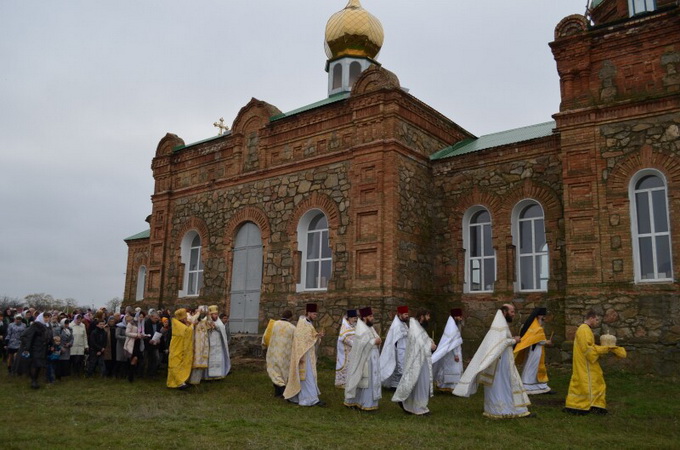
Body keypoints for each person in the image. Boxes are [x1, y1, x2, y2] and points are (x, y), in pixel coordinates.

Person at [453, 304, 532, 419]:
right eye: (512, 311)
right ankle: (502, 410)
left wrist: (511, 339)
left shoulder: (501, 324)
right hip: (499, 364)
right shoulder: (499, 326)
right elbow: (501, 343)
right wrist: (514, 340)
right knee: (502, 385)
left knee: (503, 385)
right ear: (504, 312)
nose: (514, 314)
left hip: (502, 362)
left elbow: (501, 341)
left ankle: (503, 409)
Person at [564, 310, 627, 415]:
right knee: (590, 382)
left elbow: (589, 347)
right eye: (596, 319)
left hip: (586, 362)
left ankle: (590, 405)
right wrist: (605, 349)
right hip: (586, 363)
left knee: (591, 382)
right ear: (591, 318)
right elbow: (588, 349)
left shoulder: (585, 329)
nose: (597, 322)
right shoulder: (584, 330)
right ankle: (586, 406)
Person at [392, 309, 436, 415]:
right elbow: (419, 342)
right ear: (421, 317)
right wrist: (430, 345)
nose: (429, 318)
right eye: (427, 316)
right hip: (417, 361)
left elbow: (424, 338)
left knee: (419, 384)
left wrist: (430, 341)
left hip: (422, 360)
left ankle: (410, 404)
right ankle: (419, 408)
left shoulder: (418, 327)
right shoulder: (414, 327)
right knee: (421, 384)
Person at [284, 303, 325, 406]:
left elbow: (310, 337)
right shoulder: (303, 323)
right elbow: (302, 338)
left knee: (306, 377)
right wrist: (316, 337)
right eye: (314, 314)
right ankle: (310, 399)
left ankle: (297, 397)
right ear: (309, 313)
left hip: (308, 354)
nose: (316, 316)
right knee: (307, 377)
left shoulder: (308, 323)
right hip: (303, 355)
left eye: (316, 314)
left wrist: (317, 336)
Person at [344, 307, 382, 411]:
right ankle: (362, 403)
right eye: (370, 316)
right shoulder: (360, 328)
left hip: (372, 359)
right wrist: (374, 342)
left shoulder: (370, 327)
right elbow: (360, 344)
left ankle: (368, 403)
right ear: (364, 317)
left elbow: (373, 338)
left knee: (369, 381)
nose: (372, 318)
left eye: (372, 316)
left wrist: (377, 341)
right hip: (365, 360)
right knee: (364, 381)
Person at [514, 307, 554, 395]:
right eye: (543, 316)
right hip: (535, 351)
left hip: (534, 350)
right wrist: (548, 342)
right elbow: (540, 340)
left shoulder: (533, 325)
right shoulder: (537, 327)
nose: (544, 319)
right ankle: (528, 386)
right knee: (533, 367)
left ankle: (541, 386)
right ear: (539, 316)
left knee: (532, 367)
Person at [263, 310, 296, 397]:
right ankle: (281, 392)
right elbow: (295, 342)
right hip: (286, 354)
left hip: (274, 351)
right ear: (291, 317)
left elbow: (266, 336)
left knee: (274, 371)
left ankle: (279, 392)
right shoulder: (292, 327)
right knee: (283, 372)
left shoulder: (273, 324)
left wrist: (264, 345)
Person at [432, 308, 464, 392]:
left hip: (452, 353)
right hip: (452, 354)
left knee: (453, 369)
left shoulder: (453, 325)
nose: (461, 318)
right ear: (455, 316)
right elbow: (452, 343)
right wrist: (456, 354)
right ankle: (450, 387)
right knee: (453, 369)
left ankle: (452, 388)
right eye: (459, 316)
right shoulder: (452, 327)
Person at [380, 306, 410, 389]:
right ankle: (394, 385)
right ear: (400, 314)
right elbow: (394, 339)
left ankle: (400, 384)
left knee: (402, 367)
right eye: (405, 314)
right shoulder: (396, 325)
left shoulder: (403, 323)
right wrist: (397, 351)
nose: (407, 316)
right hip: (398, 350)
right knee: (398, 368)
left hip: (404, 349)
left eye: (407, 314)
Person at [20, 312, 51, 389]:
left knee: (39, 365)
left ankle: (36, 379)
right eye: (45, 317)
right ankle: (33, 381)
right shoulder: (35, 325)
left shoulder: (47, 325)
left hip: (43, 349)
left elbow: (49, 336)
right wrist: (27, 348)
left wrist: (51, 344)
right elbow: (26, 336)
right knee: (35, 364)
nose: (47, 319)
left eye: (48, 317)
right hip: (35, 348)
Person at [167, 308, 194, 390]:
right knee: (175, 364)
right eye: (184, 318)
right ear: (180, 318)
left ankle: (179, 381)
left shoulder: (181, 323)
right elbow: (187, 331)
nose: (186, 319)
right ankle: (178, 383)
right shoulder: (176, 324)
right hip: (176, 347)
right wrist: (193, 325)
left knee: (181, 364)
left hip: (182, 347)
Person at [205, 305, 231, 380]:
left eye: (216, 314)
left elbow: (222, 329)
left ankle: (219, 375)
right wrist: (209, 327)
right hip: (209, 345)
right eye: (214, 314)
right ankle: (208, 376)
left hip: (218, 345)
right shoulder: (206, 321)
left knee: (219, 358)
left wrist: (216, 327)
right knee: (209, 359)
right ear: (210, 315)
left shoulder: (220, 323)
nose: (216, 316)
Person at [335, 309, 357, 388]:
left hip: (351, 350)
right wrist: (352, 343)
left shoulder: (352, 325)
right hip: (345, 351)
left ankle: (350, 381)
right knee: (344, 365)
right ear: (349, 318)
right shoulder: (345, 325)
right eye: (354, 318)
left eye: (355, 318)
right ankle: (341, 382)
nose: (355, 320)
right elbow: (342, 337)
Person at [189, 306, 210, 385]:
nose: (202, 315)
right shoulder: (192, 319)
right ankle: (190, 380)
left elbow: (211, 324)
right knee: (194, 364)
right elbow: (192, 320)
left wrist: (208, 315)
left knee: (201, 364)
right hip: (195, 346)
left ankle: (197, 381)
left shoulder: (204, 322)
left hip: (203, 346)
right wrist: (198, 313)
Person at [124, 311, 147, 382]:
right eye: (140, 317)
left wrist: (144, 335)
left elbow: (142, 332)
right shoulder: (131, 323)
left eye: (142, 317)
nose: (141, 318)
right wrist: (136, 335)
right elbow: (127, 333)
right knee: (134, 359)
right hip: (132, 343)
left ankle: (132, 375)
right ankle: (130, 377)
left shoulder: (142, 324)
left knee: (136, 359)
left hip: (139, 343)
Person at [144, 311, 163, 378]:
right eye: (155, 318)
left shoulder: (158, 324)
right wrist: (149, 340)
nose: (156, 320)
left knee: (156, 358)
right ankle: (146, 373)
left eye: (157, 318)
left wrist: (159, 339)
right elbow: (144, 333)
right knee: (147, 359)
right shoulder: (146, 323)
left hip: (156, 344)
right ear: (151, 317)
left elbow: (160, 332)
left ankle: (153, 373)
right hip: (147, 344)